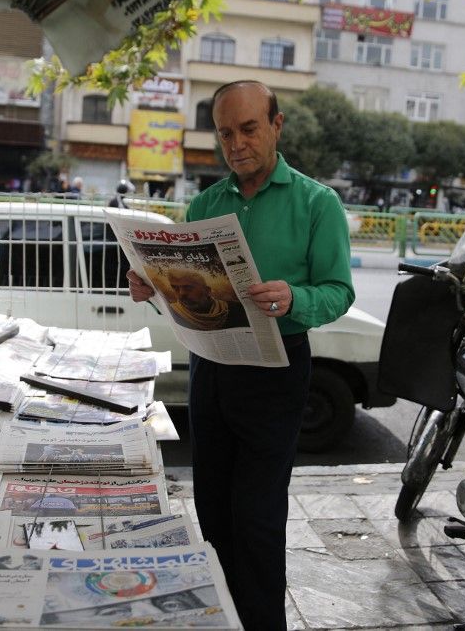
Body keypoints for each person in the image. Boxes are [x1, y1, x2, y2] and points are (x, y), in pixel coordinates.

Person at [125, 80, 354, 629]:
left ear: (276, 126)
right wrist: (151, 287)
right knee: (213, 510)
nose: (237, 143)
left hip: (276, 372)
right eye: (225, 133)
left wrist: (295, 296)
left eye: (249, 128)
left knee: (257, 516)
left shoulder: (317, 203)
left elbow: (339, 292)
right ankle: (221, 617)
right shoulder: (205, 203)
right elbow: (188, 288)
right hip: (211, 371)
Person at [164, 269, 249, 331]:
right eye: (175, 288)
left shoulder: (236, 309)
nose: (182, 293)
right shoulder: (174, 311)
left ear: (207, 290)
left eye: (188, 287)